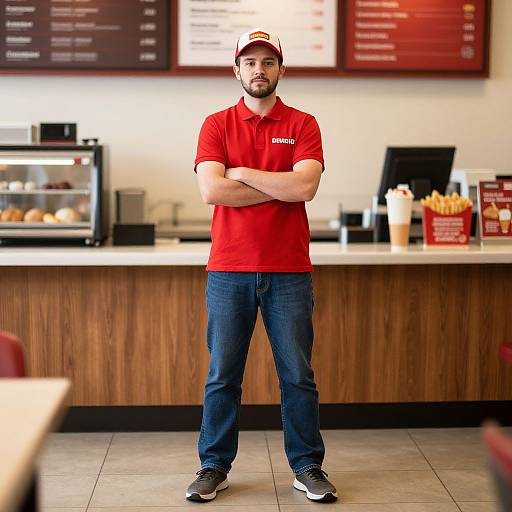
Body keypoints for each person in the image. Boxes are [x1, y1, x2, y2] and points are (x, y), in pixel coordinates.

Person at [186, 28, 338, 503]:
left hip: (289, 270)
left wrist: (245, 174)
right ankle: (213, 465)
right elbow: (212, 191)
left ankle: (307, 466)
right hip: (229, 270)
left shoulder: (304, 122)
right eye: (249, 62)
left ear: (280, 71)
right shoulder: (216, 124)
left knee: (297, 374)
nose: (258, 69)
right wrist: (280, 184)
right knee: (223, 375)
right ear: (237, 70)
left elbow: (305, 188)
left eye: (267, 62)